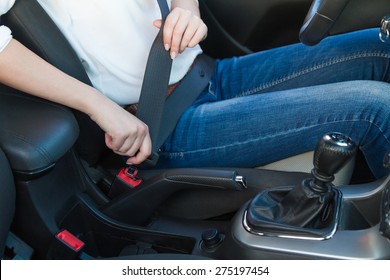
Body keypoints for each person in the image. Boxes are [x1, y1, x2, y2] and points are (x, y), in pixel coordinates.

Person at [0, 0, 389, 179]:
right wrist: (97, 104)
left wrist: (189, 10)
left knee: (379, 46)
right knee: (374, 108)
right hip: (160, 123)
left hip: (205, 73)